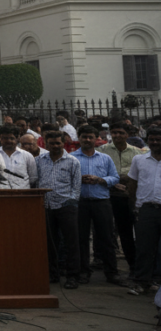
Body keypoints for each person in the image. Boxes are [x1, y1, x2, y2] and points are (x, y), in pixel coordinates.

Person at [71, 125, 121, 285]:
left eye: (90, 137)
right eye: (84, 137)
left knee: (106, 238)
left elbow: (115, 177)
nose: (87, 140)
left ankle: (111, 272)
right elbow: (66, 179)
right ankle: (84, 272)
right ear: (79, 138)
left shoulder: (104, 158)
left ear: (96, 139)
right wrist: (79, 179)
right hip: (80, 203)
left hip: (101, 202)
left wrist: (100, 180)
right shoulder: (72, 158)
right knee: (81, 239)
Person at [36, 130, 82, 288]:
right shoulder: (40, 160)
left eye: (58, 143)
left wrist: (71, 203)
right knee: (50, 242)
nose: (55, 146)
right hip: (46, 206)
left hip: (66, 206)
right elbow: (37, 181)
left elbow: (76, 186)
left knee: (71, 243)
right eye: (51, 143)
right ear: (46, 144)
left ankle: (73, 276)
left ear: (63, 144)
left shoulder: (72, 161)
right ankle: (52, 274)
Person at [99, 122, 144, 273]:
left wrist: (128, 183)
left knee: (130, 233)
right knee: (108, 232)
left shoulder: (137, 153)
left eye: (120, 132)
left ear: (127, 134)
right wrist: (114, 182)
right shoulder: (103, 151)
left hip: (130, 196)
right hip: (109, 194)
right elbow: (99, 172)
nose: (117, 135)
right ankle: (109, 266)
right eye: (114, 132)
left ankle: (134, 265)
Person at [125, 127, 161, 296]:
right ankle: (141, 281)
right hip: (146, 209)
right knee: (144, 248)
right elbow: (132, 185)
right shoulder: (139, 160)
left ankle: (156, 281)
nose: (155, 143)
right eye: (152, 139)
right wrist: (136, 205)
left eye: (158, 140)